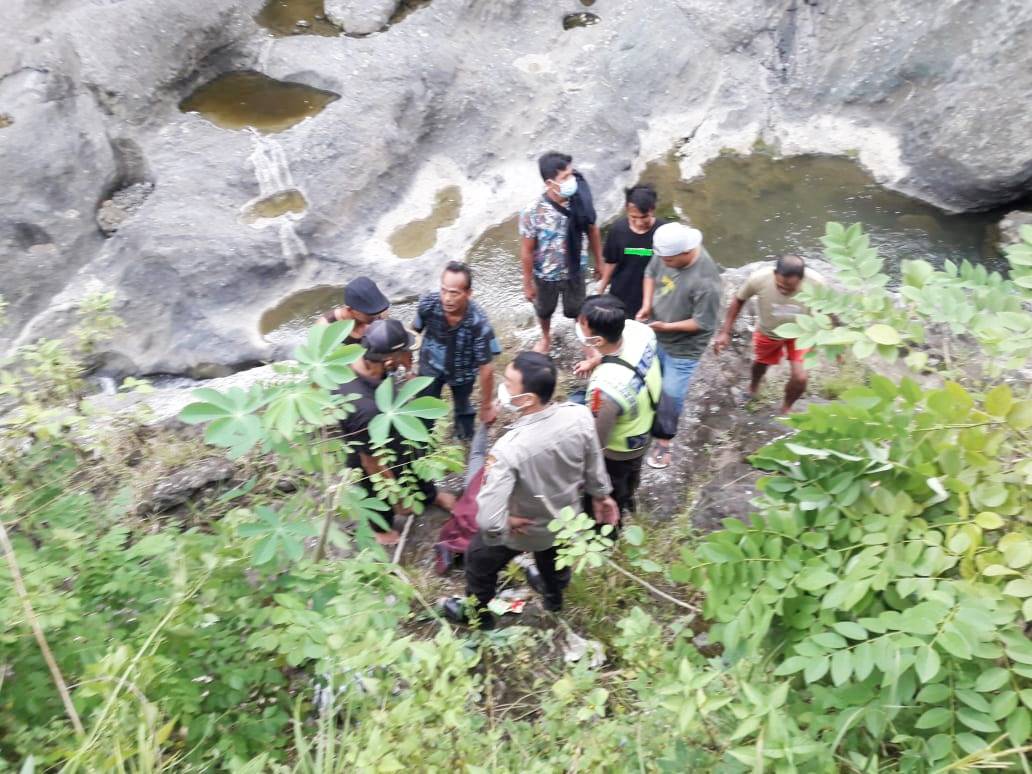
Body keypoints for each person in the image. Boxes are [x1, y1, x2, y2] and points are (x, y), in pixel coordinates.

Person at [441, 352, 619, 629]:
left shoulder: (509, 450)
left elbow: (488, 519)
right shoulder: (580, 415)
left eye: (509, 383)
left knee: (478, 561)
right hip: (565, 518)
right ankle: (553, 598)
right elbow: (594, 460)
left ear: (528, 399)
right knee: (554, 560)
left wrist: (503, 525)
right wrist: (601, 495)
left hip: (523, 528)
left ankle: (478, 615)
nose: (504, 386)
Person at [337, 319, 455, 547]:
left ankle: (430, 496)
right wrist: (398, 498)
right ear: (389, 360)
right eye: (402, 354)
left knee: (414, 459)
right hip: (370, 453)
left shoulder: (362, 359)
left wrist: (407, 368)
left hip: (395, 429)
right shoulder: (365, 408)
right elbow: (372, 463)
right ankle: (381, 529)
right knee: (375, 487)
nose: (406, 357)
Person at [636, 223, 722, 470]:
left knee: (672, 393)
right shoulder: (666, 252)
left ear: (686, 253)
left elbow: (702, 323)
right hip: (657, 329)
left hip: (684, 347)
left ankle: (663, 441)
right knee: (649, 378)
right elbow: (650, 274)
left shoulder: (706, 281)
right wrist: (646, 305)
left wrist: (666, 327)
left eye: (670, 260)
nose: (665, 262)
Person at [576, 295, 662, 521]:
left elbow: (597, 441)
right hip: (645, 424)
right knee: (634, 473)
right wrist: (596, 360)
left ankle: (610, 525)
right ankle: (631, 497)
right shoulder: (639, 332)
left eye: (583, 327)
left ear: (599, 341)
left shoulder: (603, 390)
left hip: (620, 449)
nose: (579, 329)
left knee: (615, 487)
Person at [713, 255, 826, 413]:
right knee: (761, 364)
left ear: (802, 279)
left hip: (801, 333)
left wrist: (832, 339)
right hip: (769, 332)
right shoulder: (759, 279)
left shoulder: (816, 283)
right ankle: (753, 387)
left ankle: (786, 408)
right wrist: (725, 332)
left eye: (790, 288)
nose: (783, 290)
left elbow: (825, 310)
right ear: (774, 274)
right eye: (779, 285)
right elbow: (738, 300)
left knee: (800, 378)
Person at [519, 151, 603, 354]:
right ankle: (546, 337)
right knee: (544, 310)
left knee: (578, 308)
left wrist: (599, 261)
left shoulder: (580, 202)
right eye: (564, 177)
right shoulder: (533, 212)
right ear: (549, 183)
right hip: (545, 275)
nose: (571, 180)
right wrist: (527, 282)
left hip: (575, 269)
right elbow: (527, 250)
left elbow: (592, 230)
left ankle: (585, 341)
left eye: (571, 174)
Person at [413, 261, 500, 440]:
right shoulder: (428, 305)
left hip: (463, 373)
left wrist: (486, 406)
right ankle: (421, 443)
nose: (447, 298)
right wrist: (409, 367)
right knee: (423, 408)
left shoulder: (478, 323)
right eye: (444, 290)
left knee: (463, 408)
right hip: (429, 366)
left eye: (454, 293)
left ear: (468, 294)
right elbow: (413, 333)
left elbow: (486, 368)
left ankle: (464, 439)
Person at [597, 185, 666, 319]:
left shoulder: (663, 231)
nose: (639, 222)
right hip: (620, 293)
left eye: (644, 217)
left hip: (652, 296)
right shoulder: (618, 229)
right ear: (626, 210)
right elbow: (611, 262)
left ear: (652, 210)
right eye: (633, 217)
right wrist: (601, 289)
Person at [320, 276, 390, 344]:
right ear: (350, 309)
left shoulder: (381, 311)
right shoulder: (326, 328)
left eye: (378, 311)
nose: (377, 316)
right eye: (370, 313)